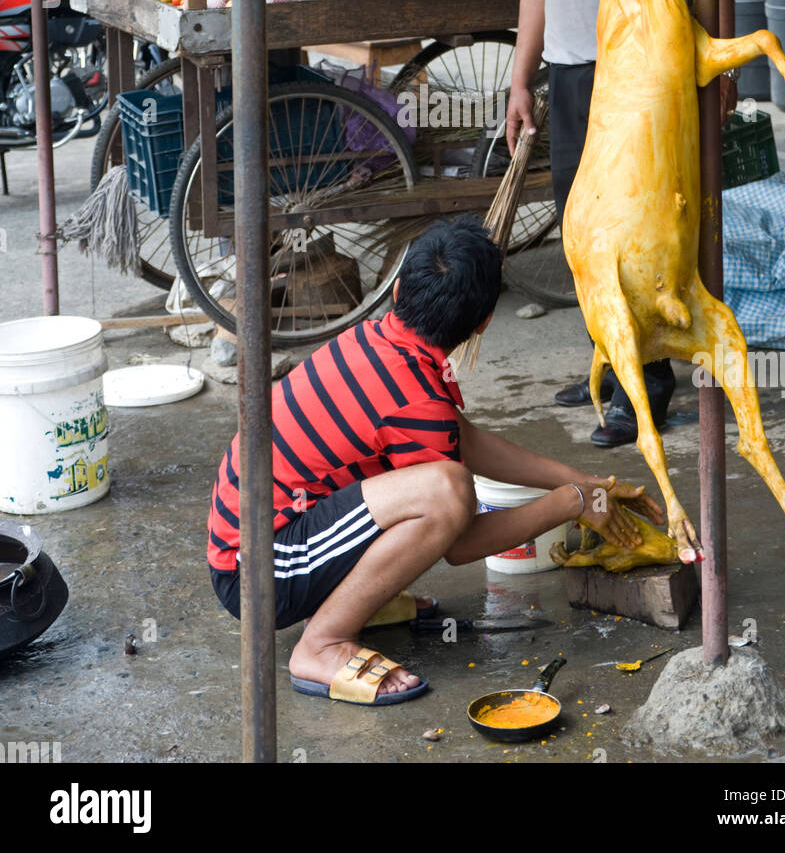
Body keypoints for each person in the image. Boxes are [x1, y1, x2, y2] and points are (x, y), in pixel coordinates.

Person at [207, 214, 665, 706]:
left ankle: (352, 606)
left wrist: (585, 480)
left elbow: (460, 437)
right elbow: (461, 541)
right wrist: (570, 502)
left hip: (265, 540)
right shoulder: (417, 399)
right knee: (446, 493)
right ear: (484, 323)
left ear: (399, 289)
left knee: (443, 481)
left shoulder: (380, 339)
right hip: (257, 571)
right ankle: (321, 645)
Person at [506, 0, 734, 448]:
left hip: (647, 76)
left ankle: (650, 387)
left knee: (643, 235)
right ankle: (609, 363)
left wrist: (719, 60)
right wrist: (521, 78)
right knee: (587, 230)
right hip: (575, 75)